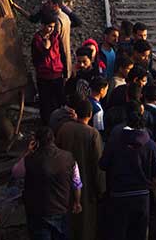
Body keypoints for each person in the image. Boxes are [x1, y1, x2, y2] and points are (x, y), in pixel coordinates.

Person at [99, 104, 156, 240]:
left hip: (118, 194)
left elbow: (103, 164)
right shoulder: (151, 145)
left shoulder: (115, 142)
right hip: (142, 196)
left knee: (118, 232)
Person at [16, 126, 82, 240]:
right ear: (53, 139)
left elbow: (16, 172)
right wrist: (77, 202)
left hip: (37, 212)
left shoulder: (30, 159)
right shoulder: (69, 158)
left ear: (36, 142)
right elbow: (77, 183)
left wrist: (27, 152)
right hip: (61, 210)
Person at [56, 97, 104, 240]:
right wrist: (101, 189)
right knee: (85, 224)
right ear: (90, 115)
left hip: (64, 182)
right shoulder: (93, 134)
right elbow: (97, 165)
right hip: (86, 185)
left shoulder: (64, 129)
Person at [32, 12, 66, 124]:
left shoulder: (56, 37)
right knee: (45, 102)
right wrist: (46, 49)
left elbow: (62, 53)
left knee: (59, 100)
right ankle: (46, 124)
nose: (51, 29)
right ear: (42, 25)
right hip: (44, 77)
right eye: (49, 26)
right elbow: (36, 59)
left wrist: (64, 71)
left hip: (57, 75)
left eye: (52, 26)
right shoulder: (37, 40)